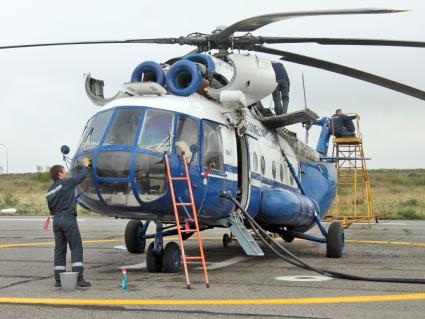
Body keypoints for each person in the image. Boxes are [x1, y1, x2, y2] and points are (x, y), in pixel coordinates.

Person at [47, 158, 91, 288]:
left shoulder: (50, 190)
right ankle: (79, 278)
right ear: (59, 174)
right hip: (68, 218)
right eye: (64, 171)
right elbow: (81, 177)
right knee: (76, 247)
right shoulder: (66, 183)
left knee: (59, 249)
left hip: (56, 220)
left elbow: (51, 208)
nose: (65, 173)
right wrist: (86, 166)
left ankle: (59, 280)